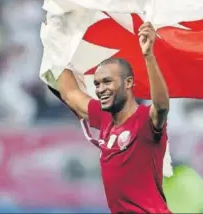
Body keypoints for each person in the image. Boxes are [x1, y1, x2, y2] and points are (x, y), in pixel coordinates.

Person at [56, 22, 171, 213]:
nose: (100, 89)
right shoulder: (105, 118)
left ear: (128, 83)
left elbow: (161, 106)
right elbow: (70, 94)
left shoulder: (144, 120)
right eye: (97, 84)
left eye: (107, 82)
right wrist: (58, 44)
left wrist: (148, 56)